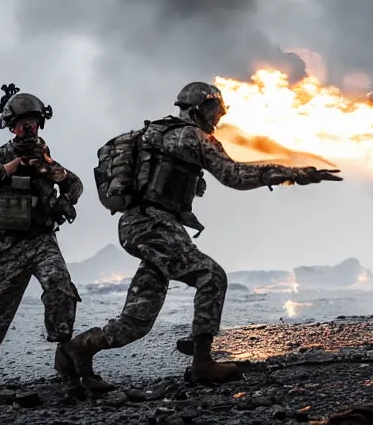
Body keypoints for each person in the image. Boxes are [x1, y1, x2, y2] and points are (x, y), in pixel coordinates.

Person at [57, 81, 342, 391]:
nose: (218, 120)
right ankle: (202, 362)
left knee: (136, 321)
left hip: (142, 225)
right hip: (153, 225)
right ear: (202, 108)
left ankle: (77, 351)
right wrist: (296, 174)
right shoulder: (191, 136)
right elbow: (235, 176)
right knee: (211, 275)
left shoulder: (156, 134)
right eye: (215, 112)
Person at [0, 84, 84, 393]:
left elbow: (74, 183)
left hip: (42, 241)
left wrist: (63, 201)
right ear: (12, 127)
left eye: (33, 121)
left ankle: (67, 364)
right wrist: (15, 165)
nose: (28, 127)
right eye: (22, 123)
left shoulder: (46, 159)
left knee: (60, 290)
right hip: (6, 246)